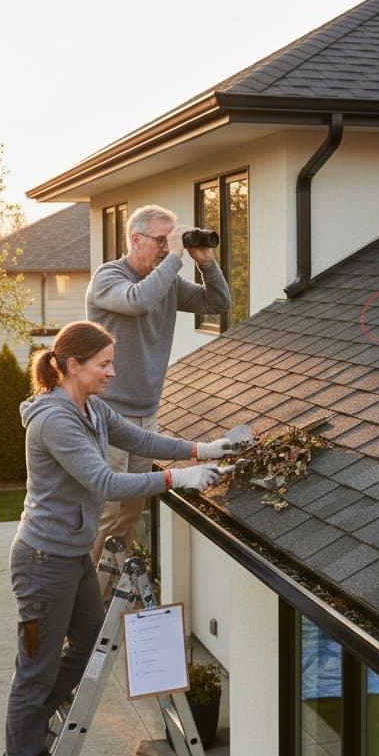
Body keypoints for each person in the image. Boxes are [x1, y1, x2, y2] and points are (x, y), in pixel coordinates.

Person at [3, 320, 228, 756]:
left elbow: (142, 441)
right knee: (36, 666)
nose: (111, 372)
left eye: (111, 363)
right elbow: (105, 483)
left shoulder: (93, 409)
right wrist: (174, 481)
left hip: (73, 557)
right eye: (103, 364)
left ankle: (35, 726)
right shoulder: (55, 421)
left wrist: (200, 449)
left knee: (89, 648)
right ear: (72, 366)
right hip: (42, 562)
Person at [85, 204, 231, 561]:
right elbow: (138, 301)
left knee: (130, 516)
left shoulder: (166, 283)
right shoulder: (109, 278)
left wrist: (205, 261)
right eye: (162, 241)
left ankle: (111, 599)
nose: (168, 248)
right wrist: (176, 258)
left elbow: (218, 302)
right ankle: (85, 603)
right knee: (105, 513)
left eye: (172, 241)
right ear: (135, 239)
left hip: (145, 418)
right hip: (108, 415)